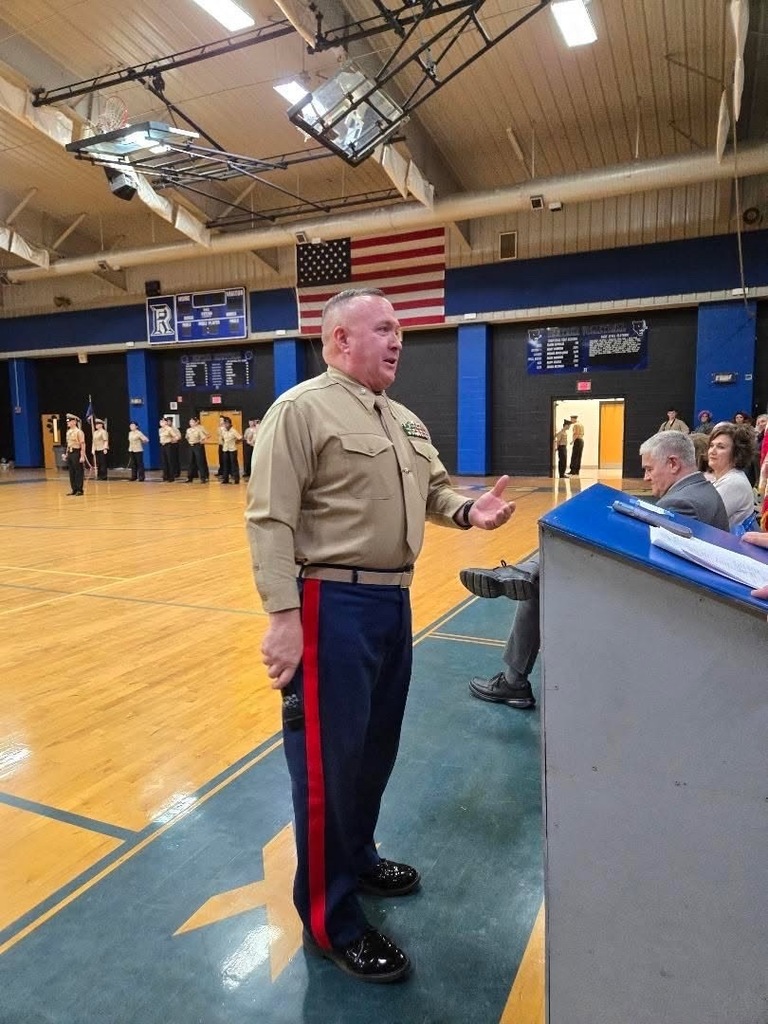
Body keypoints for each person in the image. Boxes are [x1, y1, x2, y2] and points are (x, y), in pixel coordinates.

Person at [245, 288, 515, 983]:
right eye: (385, 329)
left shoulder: (402, 420)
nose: (399, 340)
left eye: (400, 330)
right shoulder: (301, 411)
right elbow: (269, 519)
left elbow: (435, 491)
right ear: (339, 339)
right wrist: (281, 617)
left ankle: (357, 858)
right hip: (328, 604)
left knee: (372, 751)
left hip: (392, 604)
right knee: (326, 768)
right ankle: (331, 920)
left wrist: (468, 511)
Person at [459, 431, 728, 711]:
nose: (646, 478)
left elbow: (643, 563)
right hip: (684, 602)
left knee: (542, 583)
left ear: (673, 463)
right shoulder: (701, 491)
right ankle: (526, 572)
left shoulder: (682, 503)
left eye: (649, 469)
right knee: (553, 561)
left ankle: (514, 681)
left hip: (669, 613)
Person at [705, 421, 756, 532]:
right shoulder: (723, 477)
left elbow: (703, 518)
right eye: (711, 445)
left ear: (736, 453)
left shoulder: (734, 482)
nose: (712, 451)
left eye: (721, 447)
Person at [63, 413, 86, 495]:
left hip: (77, 452)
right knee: (71, 472)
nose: (68, 423)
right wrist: (66, 454)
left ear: (74, 422)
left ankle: (79, 489)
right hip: (70, 452)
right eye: (67, 421)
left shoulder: (79, 432)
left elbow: (82, 444)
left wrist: (82, 456)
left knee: (78, 471)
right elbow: (68, 444)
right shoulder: (68, 432)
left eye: (69, 421)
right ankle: (74, 489)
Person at [184, 416, 210, 483]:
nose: (191, 423)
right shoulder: (188, 430)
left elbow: (204, 437)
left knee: (200, 462)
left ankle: (203, 477)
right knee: (190, 462)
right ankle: (189, 477)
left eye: (192, 422)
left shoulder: (199, 429)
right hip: (190, 446)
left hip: (197, 445)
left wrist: (201, 441)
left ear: (196, 423)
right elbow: (187, 437)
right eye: (190, 422)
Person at [219, 416, 242, 484]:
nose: (226, 425)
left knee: (234, 464)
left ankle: (236, 479)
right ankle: (225, 479)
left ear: (230, 424)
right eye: (225, 423)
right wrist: (223, 443)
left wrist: (236, 442)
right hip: (225, 449)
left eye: (227, 423)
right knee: (225, 464)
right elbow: (222, 438)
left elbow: (240, 438)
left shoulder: (233, 431)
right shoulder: (223, 431)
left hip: (232, 449)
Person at [158, 417, 180, 481]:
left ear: (165, 422)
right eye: (160, 422)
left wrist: (172, 440)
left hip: (169, 445)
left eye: (162, 422)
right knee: (164, 461)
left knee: (170, 461)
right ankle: (165, 475)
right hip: (163, 445)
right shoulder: (160, 429)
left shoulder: (170, 429)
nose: (161, 423)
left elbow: (177, 437)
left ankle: (171, 476)